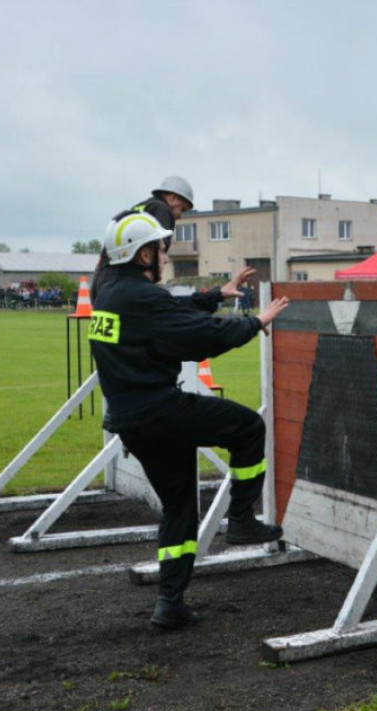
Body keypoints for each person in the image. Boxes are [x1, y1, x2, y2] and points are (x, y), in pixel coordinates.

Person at [88, 210, 290, 630]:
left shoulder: (110, 292)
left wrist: (218, 293)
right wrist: (255, 323)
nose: (165, 254)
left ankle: (169, 604)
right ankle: (242, 520)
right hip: (160, 412)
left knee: (179, 507)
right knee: (248, 427)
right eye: (161, 248)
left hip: (132, 423)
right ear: (144, 254)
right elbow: (202, 336)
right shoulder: (142, 299)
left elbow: (172, 310)